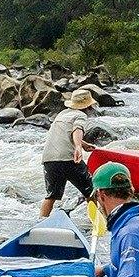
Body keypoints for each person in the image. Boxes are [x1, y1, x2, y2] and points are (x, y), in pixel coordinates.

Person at [38, 88, 99, 219]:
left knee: (51, 196)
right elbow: (77, 129)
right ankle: (95, 222)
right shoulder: (80, 115)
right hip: (68, 159)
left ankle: (40, 222)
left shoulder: (62, 114)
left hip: (49, 159)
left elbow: (65, 133)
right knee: (91, 191)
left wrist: (83, 144)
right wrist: (78, 146)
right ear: (88, 106)